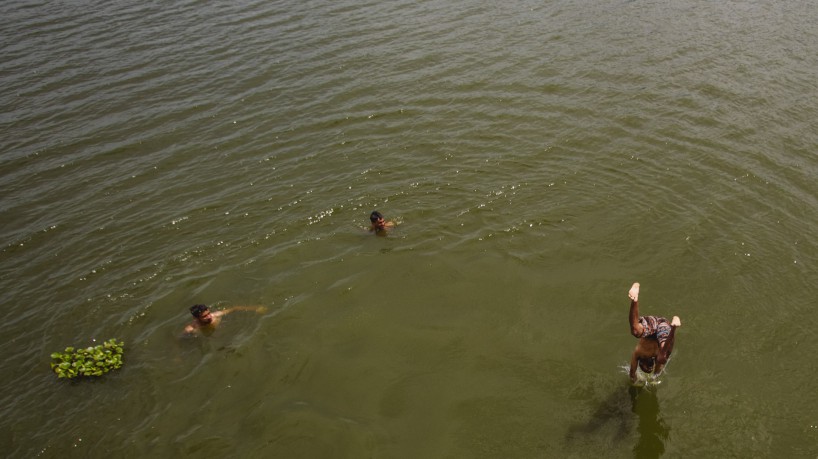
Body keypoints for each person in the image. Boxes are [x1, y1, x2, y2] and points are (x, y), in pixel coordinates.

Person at [627, 283, 681, 383]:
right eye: (650, 369)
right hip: (665, 328)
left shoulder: (638, 352)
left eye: (647, 369)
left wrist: (633, 381)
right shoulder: (657, 357)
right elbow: (655, 375)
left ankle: (635, 299)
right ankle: (674, 326)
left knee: (635, 330)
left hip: (654, 323)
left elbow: (631, 374)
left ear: (641, 363)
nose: (650, 369)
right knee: (662, 358)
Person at [184, 303, 266, 335]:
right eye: (204, 316)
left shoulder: (216, 315)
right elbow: (179, 340)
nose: (209, 316)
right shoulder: (191, 328)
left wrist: (255, 308)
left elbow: (235, 308)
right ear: (195, 318)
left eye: (208, 313)